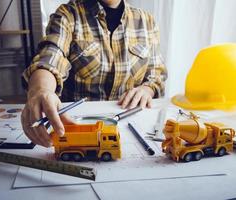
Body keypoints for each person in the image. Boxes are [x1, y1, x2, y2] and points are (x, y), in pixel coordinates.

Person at [21, 0, 167, 147]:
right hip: (77, 129)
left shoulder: (146, 20)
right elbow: (51, 56)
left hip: (130, 129)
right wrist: (41, 90)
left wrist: (147, 89)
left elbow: (156, 75)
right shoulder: (68, 14)